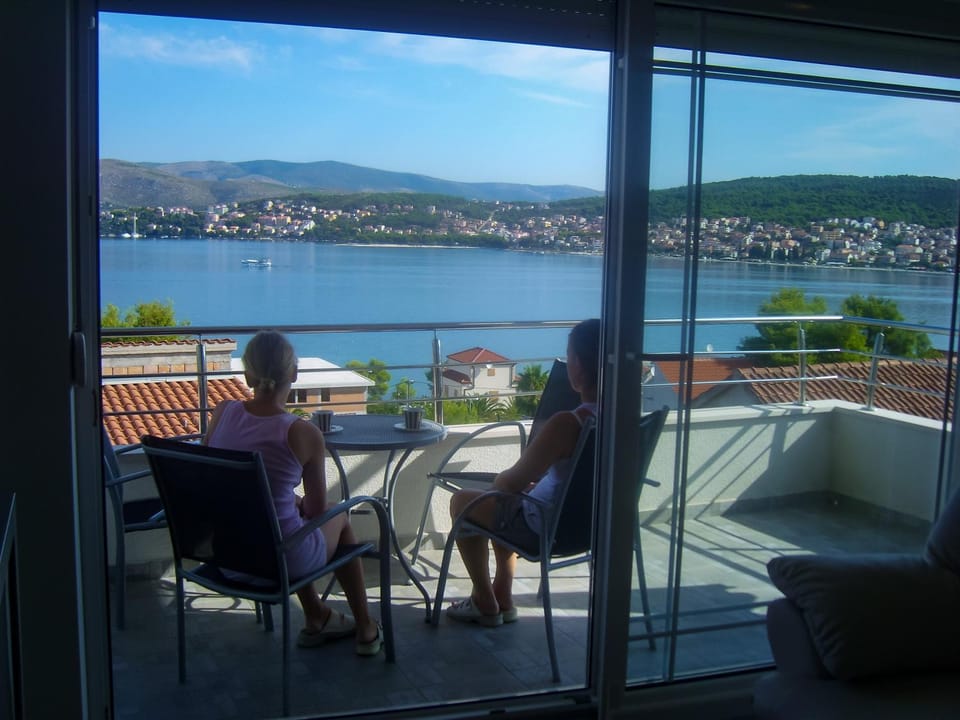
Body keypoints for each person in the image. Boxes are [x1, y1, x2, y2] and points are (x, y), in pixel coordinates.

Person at [204, 329, 382, 655]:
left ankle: (317, 616)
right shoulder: (302, 433)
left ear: (247, 376)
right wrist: (297, 503)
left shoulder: (222, 413)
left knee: (287, 522)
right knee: (337, 514)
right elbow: (316, 511)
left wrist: (289, 503)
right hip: (280, 562)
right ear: (294, 374)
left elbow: (213, 478)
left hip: (227, 556)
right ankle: (366, 630)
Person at [445, 318, 600, 627]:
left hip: (546, 528)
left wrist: (505, 485)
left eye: (569, 356)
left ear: (579, 368)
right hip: (595, 528)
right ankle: (503, 594)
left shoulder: (568, 424)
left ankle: (483, 601)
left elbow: (510, 482)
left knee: (465, 502)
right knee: (508, 501)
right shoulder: (627, 418)